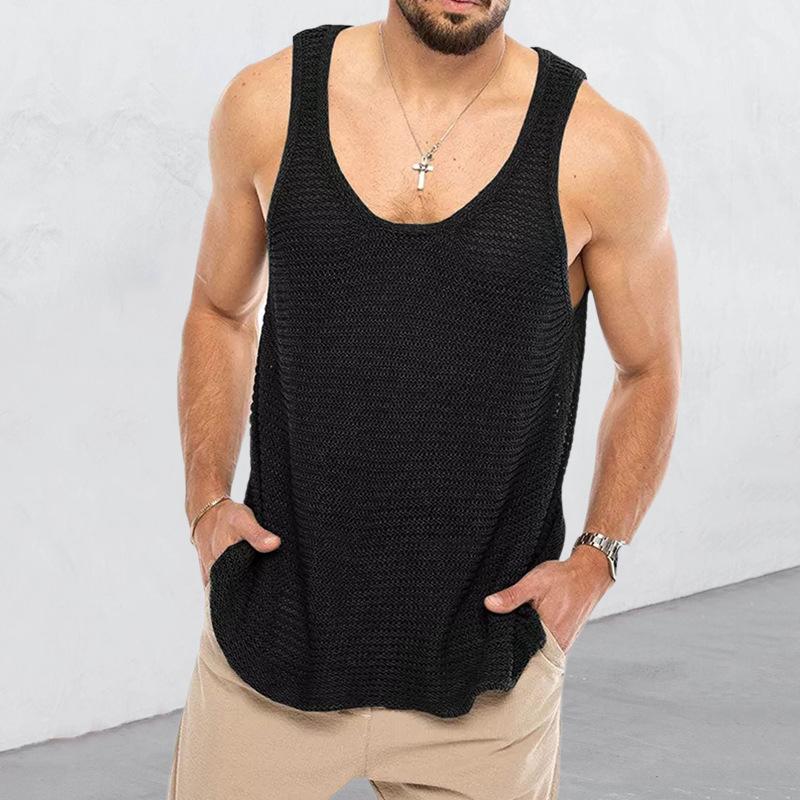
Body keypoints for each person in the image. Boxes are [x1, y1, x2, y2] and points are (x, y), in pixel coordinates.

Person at [169, 3, 681, 798]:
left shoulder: (601, 151)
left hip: (486, 674)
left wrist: (596, 558)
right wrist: (206, 500)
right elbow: (219, 309)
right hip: (271, 644)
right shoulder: (268, 105)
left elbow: (649, 368)